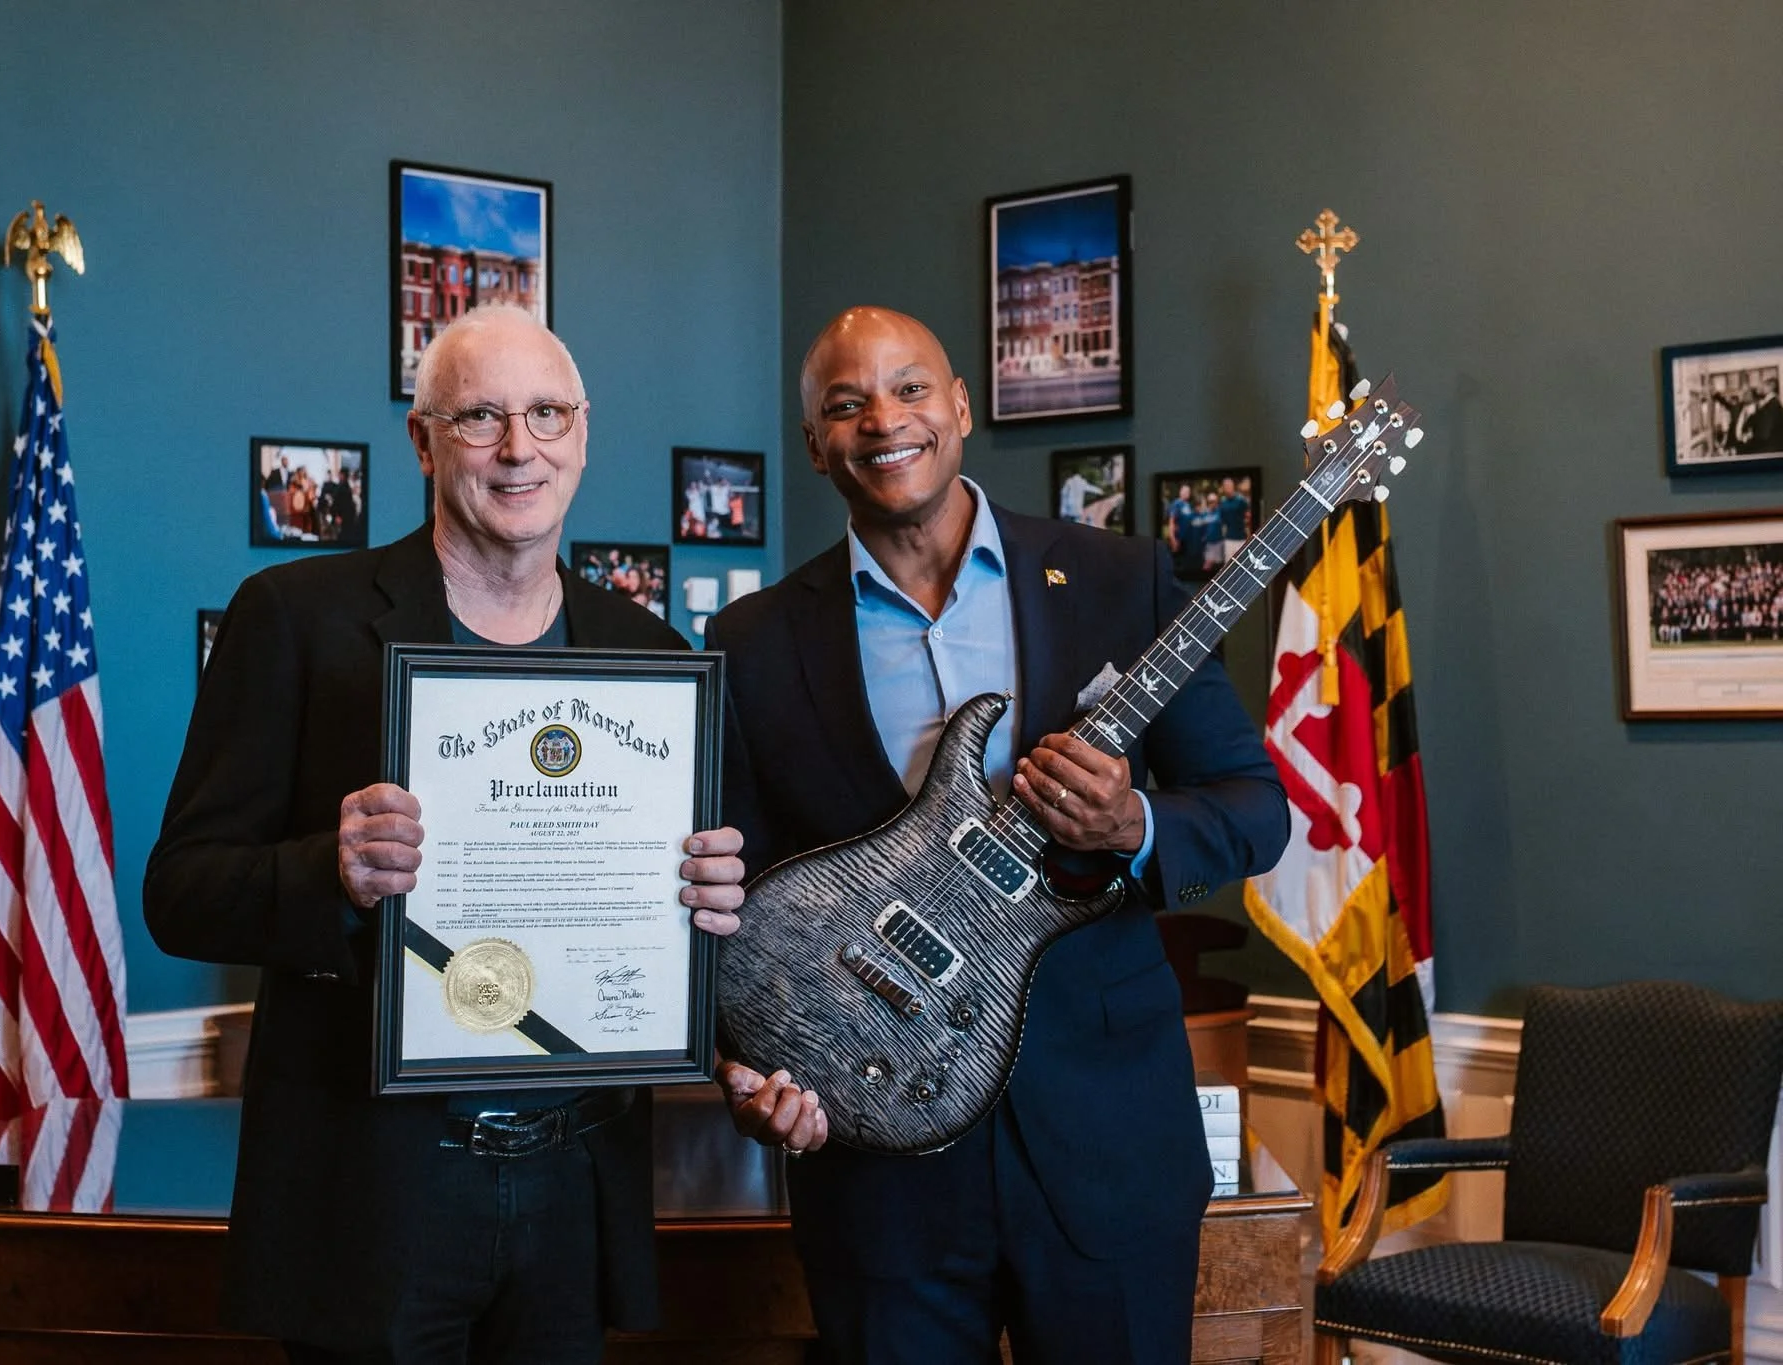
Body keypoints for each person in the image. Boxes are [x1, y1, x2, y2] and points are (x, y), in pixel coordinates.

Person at [145, 304, 747, 1365]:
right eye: (479, 418)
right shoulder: (296, 616)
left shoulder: (646, 650)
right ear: (422, 441)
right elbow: (181, 891)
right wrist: (327, 871)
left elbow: (687, 914)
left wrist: (705, 894)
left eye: (545, 414)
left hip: (575, 1181)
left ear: (583, 431)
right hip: (374, 1187)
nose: (520, 448)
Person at [707, 306, 1287, 1364]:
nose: (883, 420)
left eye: (910, 388)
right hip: (874, 1162)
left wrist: (1134, 823)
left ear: (960, 407)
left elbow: (1253, 806)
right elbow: (732, 905)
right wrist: (743, 1066)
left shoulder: (1119, 581)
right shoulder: (751, 643)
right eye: (846, 404)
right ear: (814, 446)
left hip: (1105, 1145)